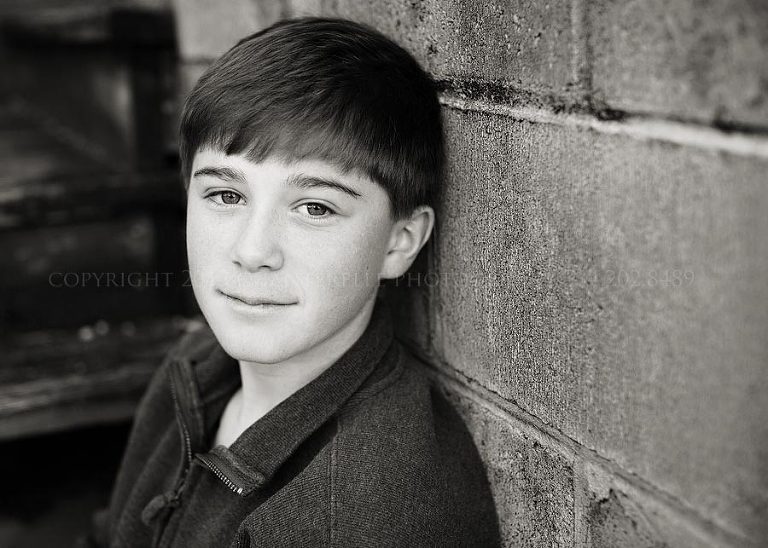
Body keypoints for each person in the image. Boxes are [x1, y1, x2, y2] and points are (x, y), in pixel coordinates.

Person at [79, 16, 500, 547]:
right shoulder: (195, 368)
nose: (252, 252)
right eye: (226, 196)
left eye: (315, 207)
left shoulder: (363, 518)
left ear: (399, 241)